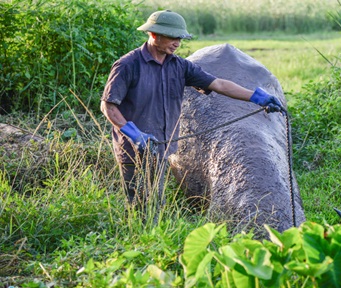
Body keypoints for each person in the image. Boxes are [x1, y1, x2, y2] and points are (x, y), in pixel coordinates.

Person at [101, 10, 284, 213]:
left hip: (161, 148)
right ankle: (138, 241)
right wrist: (134, 133)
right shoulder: (128, 65)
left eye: (180, 38)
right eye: (173, 37)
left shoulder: (180, 66)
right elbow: (108, 105)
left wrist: (257, 97)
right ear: (154, 35)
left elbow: (219, 84)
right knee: (140, 208)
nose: (177, 42)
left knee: (154, 204)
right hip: (134, 149)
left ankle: (150, 238)